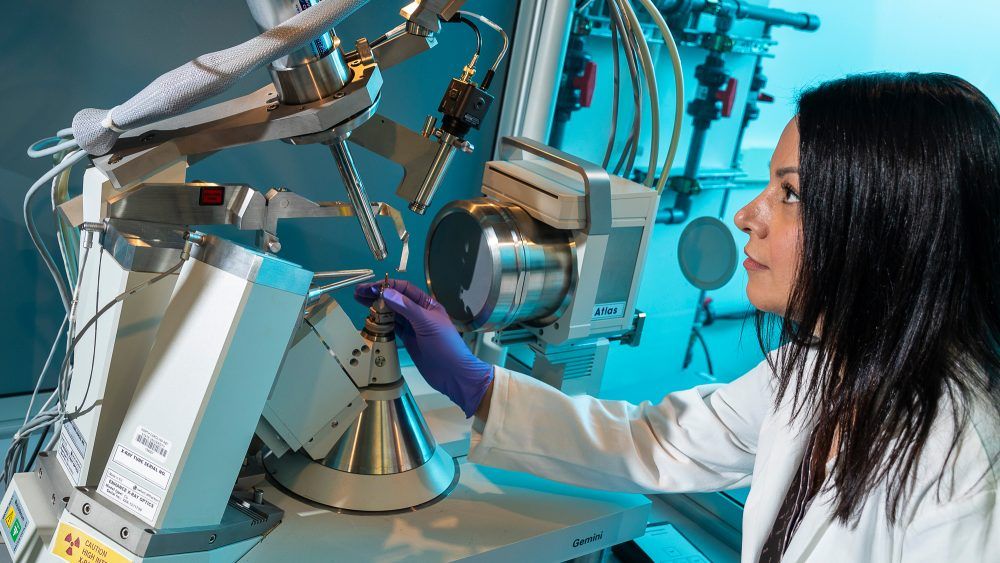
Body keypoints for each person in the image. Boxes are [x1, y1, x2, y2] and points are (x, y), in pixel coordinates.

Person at [355, 73, 999, 562]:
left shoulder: (969, 464)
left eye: (790, 193)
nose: (747, 216)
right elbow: (658, 442)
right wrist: (476, 386)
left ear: (888, 228)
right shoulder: (815, 371)